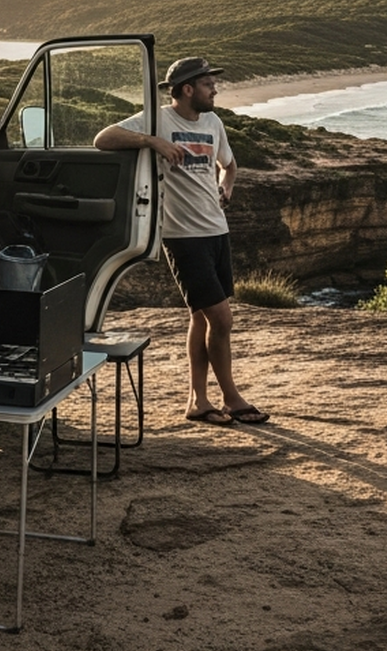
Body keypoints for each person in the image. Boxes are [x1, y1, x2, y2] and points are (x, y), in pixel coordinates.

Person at [95, 56, 269, 427]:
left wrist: (227, 185)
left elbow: (230, 164)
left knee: (201, 318)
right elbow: (103, 139)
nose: (215, 90)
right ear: (188, 89)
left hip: (216, 230)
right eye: (208, 84)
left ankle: (198, 401)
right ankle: (232, 398)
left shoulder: (213, 121)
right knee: (221, 319)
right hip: (183, 236)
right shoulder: (158, 119)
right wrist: (152, 142)